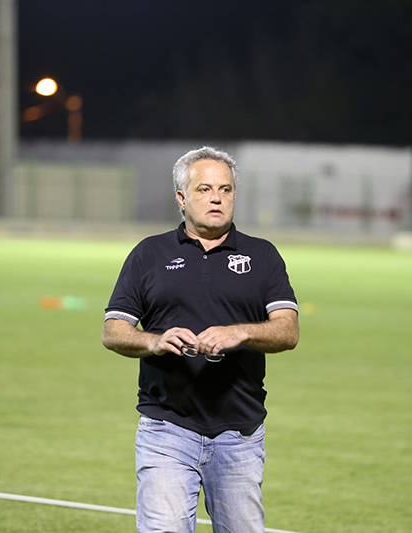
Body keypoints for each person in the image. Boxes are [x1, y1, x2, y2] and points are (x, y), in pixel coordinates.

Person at [102, 146, 299, 533]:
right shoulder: (149, 253)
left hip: (239, 433)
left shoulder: (262, 255)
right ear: (181, 197)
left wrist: (241, 331)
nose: (216, 198)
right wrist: (154, 342)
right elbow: (113, 331)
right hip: (166, 430)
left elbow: (288, 331)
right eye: (204, 189)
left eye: (225, 190)